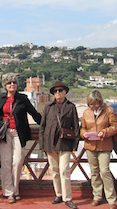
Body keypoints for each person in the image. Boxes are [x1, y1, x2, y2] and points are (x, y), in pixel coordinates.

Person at [0, 73, 41, 204]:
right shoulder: (0, 98)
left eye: (14, 82)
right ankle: (9, 192)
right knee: (5, 162)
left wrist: (45, 124)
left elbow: (33, 113)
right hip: (4, 133)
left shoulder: (22, 99)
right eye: (9, 83)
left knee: (17, 162)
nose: (12, 85)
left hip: (19, 133)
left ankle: (16, 189)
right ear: (5, 85)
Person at [39, 81, 80, 209]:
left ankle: (68, 198)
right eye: (56, 91)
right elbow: (42, 126)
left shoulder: (71, 107)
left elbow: (76, 126)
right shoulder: (48, 107)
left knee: (64, 171)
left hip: (65, 142)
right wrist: (42, 144)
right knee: (55, 171)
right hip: (50, 143)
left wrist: (76, 143)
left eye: (60, 90)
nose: (58, 93)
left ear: (65, 92)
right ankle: (59, 194)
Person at [80, 90, 117, 209]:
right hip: (90, 145)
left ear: (100, 102)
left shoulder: (109, 111)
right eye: (91, 104)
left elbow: (115, 127)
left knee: (105, 171)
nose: (94, 106)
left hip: (104, 145)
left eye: (96, 104)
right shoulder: (86, 112)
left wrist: (105, 132)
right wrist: (84, 134)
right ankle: (97, 196)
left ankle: (111, 198)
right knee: (94, 172)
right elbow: (82, 128)